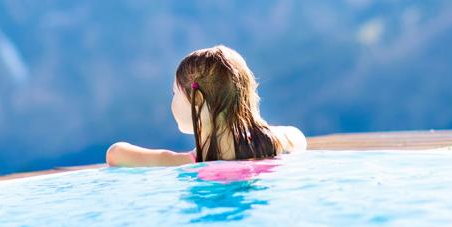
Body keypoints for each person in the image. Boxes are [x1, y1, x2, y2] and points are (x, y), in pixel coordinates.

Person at [106, 45, 307, 167]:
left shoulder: (192, 162)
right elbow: (298, 137)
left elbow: (115, 153)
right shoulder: (272, 143)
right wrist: (264, 132)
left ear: (198, 101)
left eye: (174, 93)